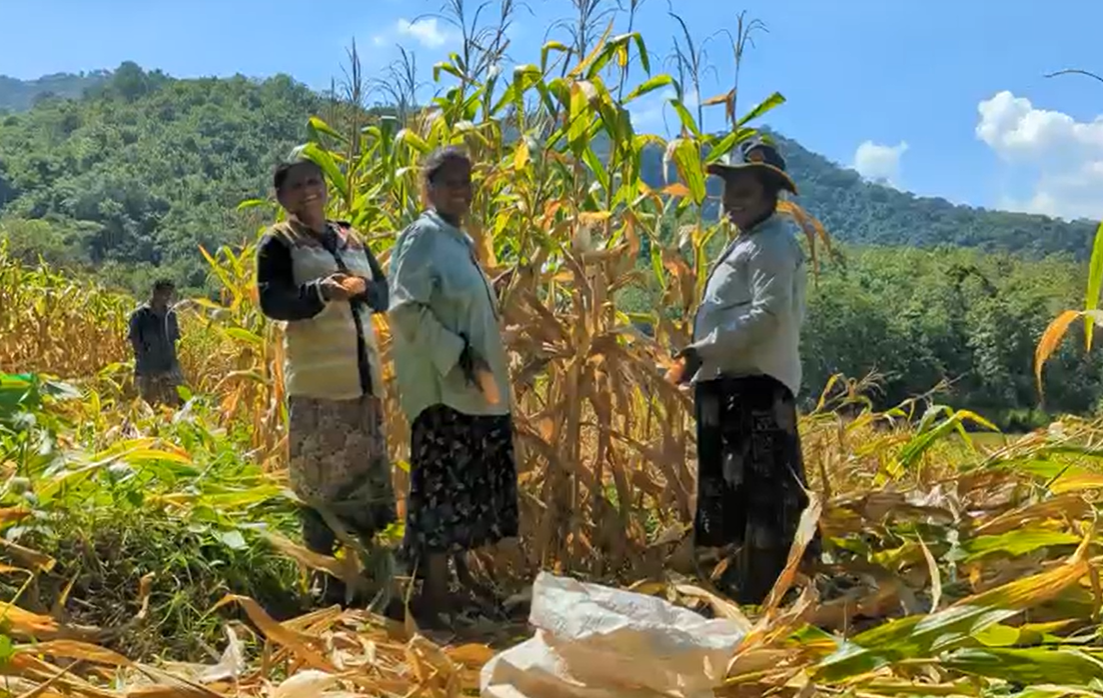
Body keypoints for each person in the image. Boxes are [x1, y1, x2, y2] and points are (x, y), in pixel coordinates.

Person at [671, 136, 820, 605]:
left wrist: (702, 349)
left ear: (771, 197)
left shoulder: (773, 244)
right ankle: (741, 584)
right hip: (731, 380)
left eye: (745, 193)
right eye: (728, 191)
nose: (731, 202)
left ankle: (763, 591)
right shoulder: (751, 241)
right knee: (737, 486)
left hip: (753, 384)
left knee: (761, 489)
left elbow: (768, 315)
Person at [255, 150, 397, 608]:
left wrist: (363, 290)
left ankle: (368, 576)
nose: (309, 190)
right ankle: (324, 582)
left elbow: (384, 294)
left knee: (363, 479)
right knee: (321, 483)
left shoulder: (350, 237)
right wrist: (320, 290)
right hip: (319, 384)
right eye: (296, 185)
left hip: (363, 383)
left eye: (314, 180)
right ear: (280, 197)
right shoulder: (278, 243)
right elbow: (273, 302)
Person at [388, 146, 518, 626]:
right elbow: (404, 307)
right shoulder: (422, 236)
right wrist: (456, 354)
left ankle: (452, 588)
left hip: (471, 389)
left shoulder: (457, 239)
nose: (461, 190)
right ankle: (434, 597)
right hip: (444, 388)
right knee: (442, 487)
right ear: (428, 188)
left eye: (467, 182)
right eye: (449, 182)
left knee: (463, 487)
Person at [128, 279, 184, 407]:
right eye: (164, 294)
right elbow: (136, 344)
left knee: (175, 403)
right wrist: (148, 366)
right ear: (155, 293)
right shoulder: (139, 315)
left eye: (169, 295)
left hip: (169, 366)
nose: (166, 298)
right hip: (146, 369)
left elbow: (174, 341)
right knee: (146, 405)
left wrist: (173, 366)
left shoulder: (170, 316)